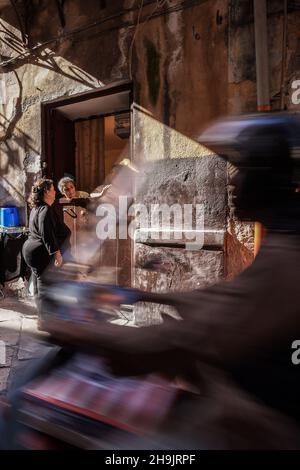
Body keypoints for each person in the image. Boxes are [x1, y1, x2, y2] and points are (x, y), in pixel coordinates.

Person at [46, 113, 300, 449]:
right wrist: (143, 295)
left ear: (268, 179)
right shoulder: (285, 241)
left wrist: (76, 331)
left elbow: (176, 341)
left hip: (253, 426)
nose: (234, 182)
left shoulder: (285, 260)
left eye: (244, 169)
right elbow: (227, 300)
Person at [22, 178, 71, 328]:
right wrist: (56, 253)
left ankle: (43, 318)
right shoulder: (45, 210)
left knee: (40, 284)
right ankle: (45, 321)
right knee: (45, 287)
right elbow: (46, 233)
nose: (55, 191)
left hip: (32, 251)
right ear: (46, 192)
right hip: (40, 253)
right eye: (52, 189)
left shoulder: (37, 208)